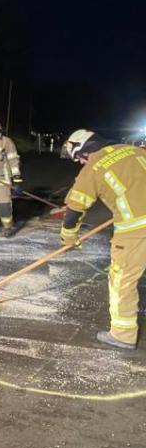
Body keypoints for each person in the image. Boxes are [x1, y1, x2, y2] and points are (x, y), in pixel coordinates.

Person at [61, 129, 146, 350]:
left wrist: (69, 237)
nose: (79, 163)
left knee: (122, 281)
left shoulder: (94, 166)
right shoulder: (135, 151)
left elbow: (75, 208)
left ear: (83, 150)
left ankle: (123, 335)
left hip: (135, 232)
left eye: (78, 158)